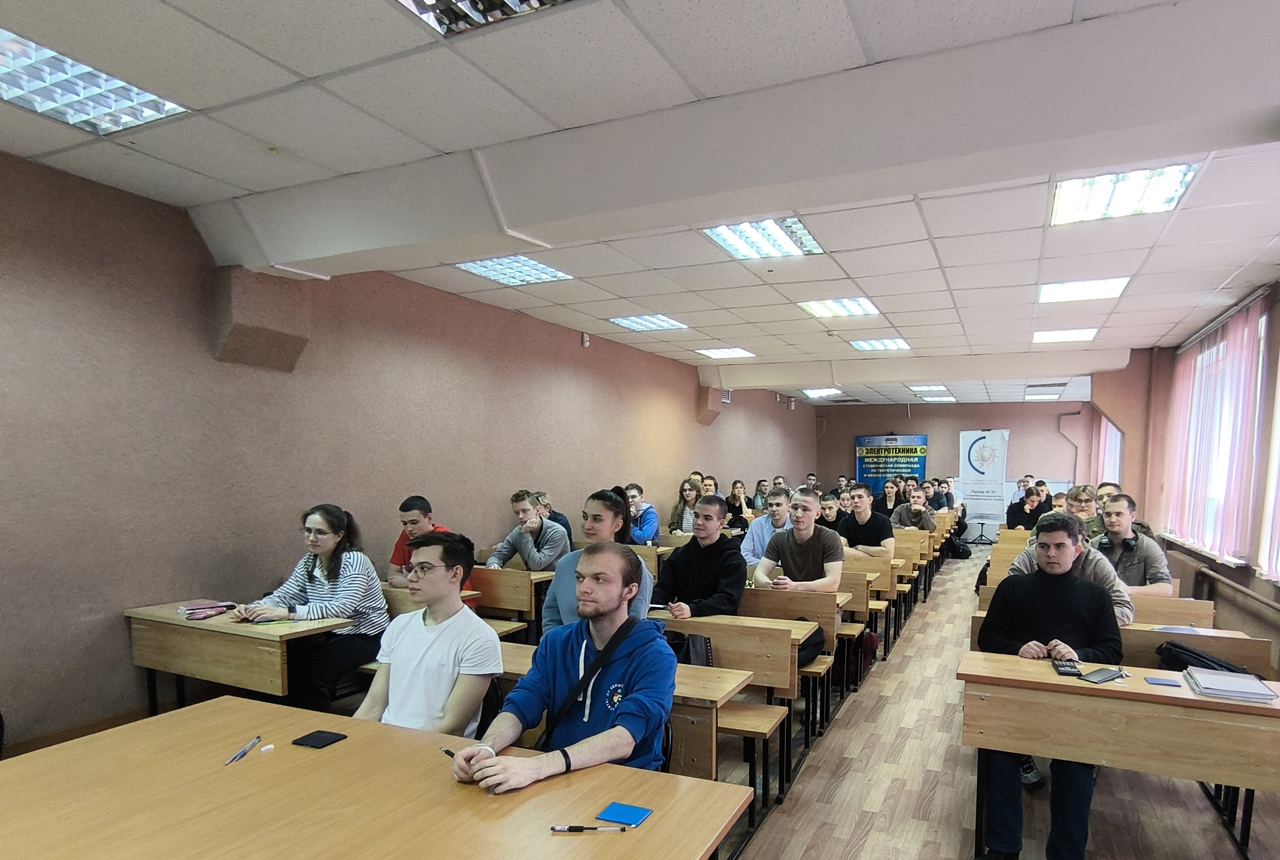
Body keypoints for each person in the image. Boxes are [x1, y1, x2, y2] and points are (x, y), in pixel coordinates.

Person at [452, 542, 677, 790]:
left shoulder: (655, 655)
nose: (583, 588)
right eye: (580, 578)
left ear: (629, 591)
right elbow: (522, 704)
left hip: (624, 781)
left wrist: (537, 767)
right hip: (559, 775)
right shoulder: (557, 643)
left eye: (599, 579)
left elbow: (625, 738)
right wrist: (486, 747)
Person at [976, 512, 1123, 860]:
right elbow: (988, 637)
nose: (1051, 554)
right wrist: (1017, 647)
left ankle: (1066, 853)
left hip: (1072, 701)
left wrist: (1079, 654)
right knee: (997, 754)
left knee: (1075, 768)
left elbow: (1112, 651)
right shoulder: (1013, 588)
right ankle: (1003, 847)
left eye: (1059, 547)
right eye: (1043, 547)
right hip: (1018, 695)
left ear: (1077, 549)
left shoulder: (1095, 595)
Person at [228, 505, 389, 711]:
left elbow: (342, 608)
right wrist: (253, 609)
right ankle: (279, 716)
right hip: (328, 632)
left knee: (315, 674)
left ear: (339, 536)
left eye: (320, 532)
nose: (312, 538)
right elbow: (285, 595)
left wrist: (287, 613)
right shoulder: (308, 562)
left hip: (366, 635)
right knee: (278, 664)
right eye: (308, 531)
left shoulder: (354, 560)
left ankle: (314, 723)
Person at [354, 532, 502, 736]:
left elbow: (452, 726)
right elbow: (373, 705)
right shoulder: (399, 625)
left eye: (424, 568)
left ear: (455, 574)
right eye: (411, 568)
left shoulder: (479, 638)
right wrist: (349, 739)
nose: (411, 578)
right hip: (386, 740)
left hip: (433, 747)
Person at [543, 488, 654, 633]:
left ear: (617, 525)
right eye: (585, 517)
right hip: (567, 645)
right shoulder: (566, 563)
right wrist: (555, 643)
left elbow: (635, 619)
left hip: (615, 645)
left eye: (596, 519)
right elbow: (552, 613)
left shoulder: (633, 564)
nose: (587, 526)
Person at [652, 495, 746, 618]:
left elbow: (727, 600)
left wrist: (693, 609)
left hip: (718, 622)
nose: (698, 522)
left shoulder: (733, 559)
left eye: (707, 518)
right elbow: (663, 590)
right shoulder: (680, 554)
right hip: (681, 620)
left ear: (721, 524)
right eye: (696, 516)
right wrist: (648, 606)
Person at [752, 489, 844, 592]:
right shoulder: (779, 538)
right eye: (795, 508)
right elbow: (758, 576)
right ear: (789, 509)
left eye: (805, 509)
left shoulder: (830, 538)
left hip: (820, 598)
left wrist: (794, 586)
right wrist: (773, 585)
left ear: (817, 515)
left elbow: (832, 583)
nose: (798, 514)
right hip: (789, 598)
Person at [1092, 495, 1173, 596]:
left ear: (1133, 517)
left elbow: (1166, 589)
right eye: (1107, 515)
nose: (1112, 519)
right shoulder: (1093, 546)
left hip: (1134, 602)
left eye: (1118, 514)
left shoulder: (1147, 546)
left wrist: (1129, 590)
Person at [487, 490, 571, 571]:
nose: (520, 516)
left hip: (556, 579)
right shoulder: (518, 532)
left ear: (537, 510)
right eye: (516, 512)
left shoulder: (558, 532)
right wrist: (493, 564)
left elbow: (537, 565)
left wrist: (525, 533)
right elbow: (497, 557)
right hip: (533, 579)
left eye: (525, 511)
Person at [387, 495, 451, 588]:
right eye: (404, 523)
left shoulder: (443, 537)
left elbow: (443, 580)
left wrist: (408, 582)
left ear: (429, 519)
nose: (409, 528)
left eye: (414, 522)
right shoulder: (406, 535)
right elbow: (392, 576)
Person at [837, 483, 896, 559]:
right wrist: (868, 558)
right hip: (856, 564)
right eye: (852, 498)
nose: (855, 501)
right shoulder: (845, 521)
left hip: (879, 564)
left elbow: (888, 553)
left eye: (860, 497)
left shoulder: (883, 521)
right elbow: (839, 548)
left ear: (870, 500)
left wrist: (859, 547)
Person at [741, 487, 793, 567]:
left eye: (778, 505)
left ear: (788, 507)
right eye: (770, 505)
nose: (773, 509)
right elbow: (744, 554)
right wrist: (771, 565)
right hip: (760, 570)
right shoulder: (756, 524)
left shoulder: (796, 525)